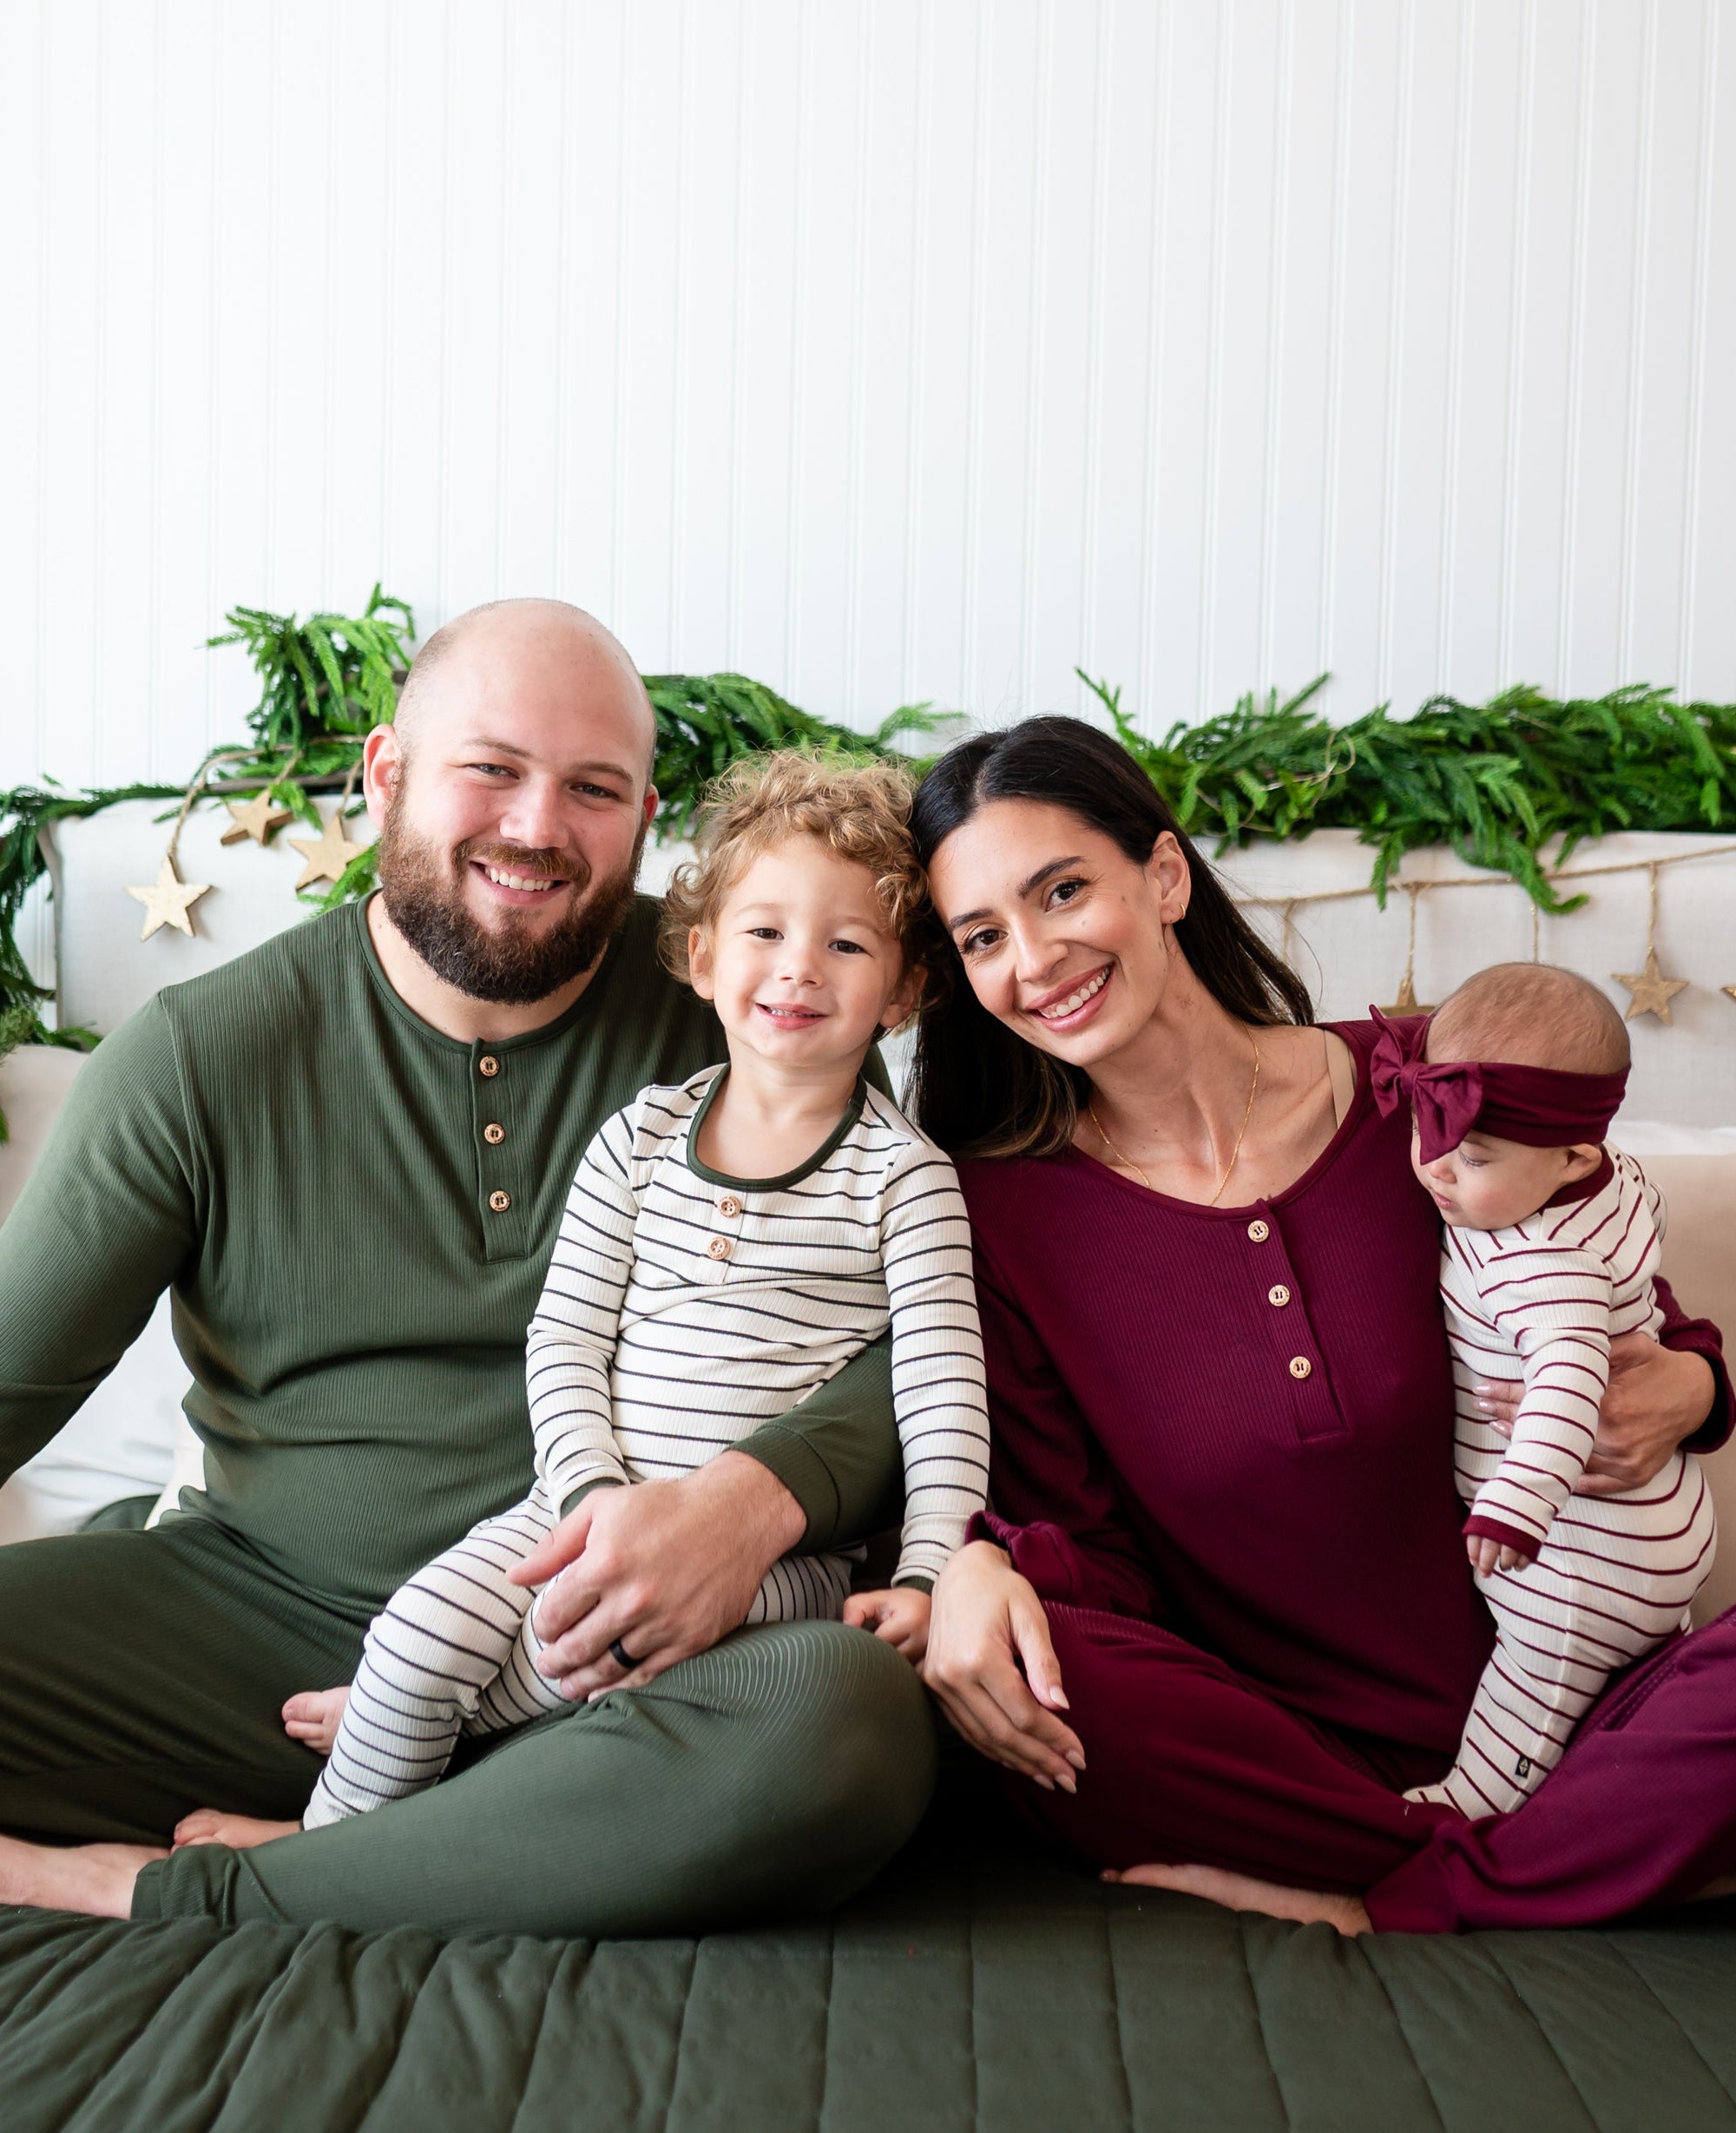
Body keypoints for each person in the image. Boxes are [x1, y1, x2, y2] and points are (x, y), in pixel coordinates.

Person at [0, 601, 930, 1938]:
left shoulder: (759, 1001)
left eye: (594, 789)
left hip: (636, 1660)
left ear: (645, 815)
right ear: (385, 774)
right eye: (490, 768)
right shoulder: (199, 1055)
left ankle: (207, 1890)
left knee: (843, 1721)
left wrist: (755, 1504)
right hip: (264, 1636)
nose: (538, 826)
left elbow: (899, 1340)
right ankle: (429, 1853)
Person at [908, 714, 1736, 1935]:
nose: (1033, 960)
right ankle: (1569, 1860)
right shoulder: (1001, 1216)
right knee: (1047, 1676)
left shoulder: (1420, 1085)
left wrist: (1701, 1389)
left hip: (1593, 1697)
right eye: (985, 937)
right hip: (1290, 1755)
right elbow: (1097, 1560)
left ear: (1167, 874)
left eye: (1064, 890)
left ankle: (1417, 1887)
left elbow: (1622, 1299)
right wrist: (985, 1564)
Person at [175, 752, 987, 1842]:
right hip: (579, 1503)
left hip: (778, 1564)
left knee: (622, 1662)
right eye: (763, 933)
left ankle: (406, 1742)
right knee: (419, 1629)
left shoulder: (904, 1179)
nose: (797, 970)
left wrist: (932, 1570)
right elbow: (562, 1342)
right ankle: (333, 1833)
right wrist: (588, 1499)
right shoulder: (640, 1139)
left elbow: (939, 1404)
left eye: (845, 944)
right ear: (700, 957)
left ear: (900, 992)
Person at [1371, 969, 1715, 1817]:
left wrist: (1514, 1504)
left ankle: (1469, 1806)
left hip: (1576, 1554)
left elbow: (1568, 1379)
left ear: (1571, 1158)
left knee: (1529, 1686)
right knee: (1632, 1700)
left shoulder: (1537, 1261)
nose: (1437, 1170)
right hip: (1658, 1524)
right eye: (1429, 1132)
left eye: (1474, 1156)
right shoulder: (1616, 1190)